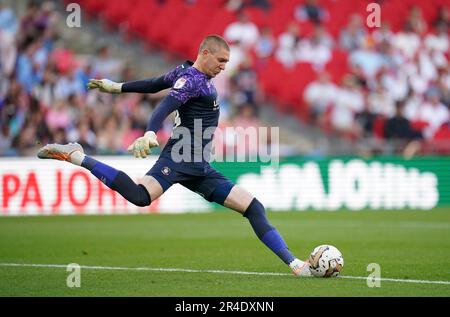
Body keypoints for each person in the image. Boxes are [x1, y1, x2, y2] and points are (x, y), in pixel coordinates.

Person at [37, 35, 311, 277]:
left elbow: (154, 83)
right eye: (221, 60)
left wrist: (117, 87)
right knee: (140, 196)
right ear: (205, 53)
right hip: (179, 159)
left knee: (253, 208)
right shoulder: (193, 81)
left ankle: (295, 264)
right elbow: (164, 105)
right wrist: (150, 133)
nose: (224, 66)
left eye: (227, 62)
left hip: (200, 167)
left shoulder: (185, 71)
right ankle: (77, 156)